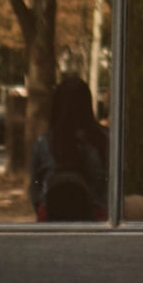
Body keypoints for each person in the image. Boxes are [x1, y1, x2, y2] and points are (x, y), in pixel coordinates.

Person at [29, 74, 108, 222]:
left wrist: (43, 207)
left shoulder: (44, 142)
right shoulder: (103, 140)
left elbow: (35, 189)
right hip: (97, 220)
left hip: (52, 218)